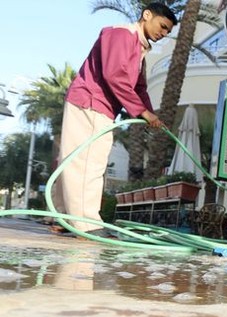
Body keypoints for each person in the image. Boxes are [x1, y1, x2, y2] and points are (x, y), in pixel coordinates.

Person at [51, 3, 177, 236]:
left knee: (73, 160)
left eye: (168, 31)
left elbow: (139, 88)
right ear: (146, 15)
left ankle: (63, 218)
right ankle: (86, 224)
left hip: (98, 106)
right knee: (89, 162)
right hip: (91, 102)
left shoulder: (140, 49)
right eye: (162, 26)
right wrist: (142, 112)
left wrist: (150, 115)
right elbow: (114, 74)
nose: (163, 33)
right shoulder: (121, 34)